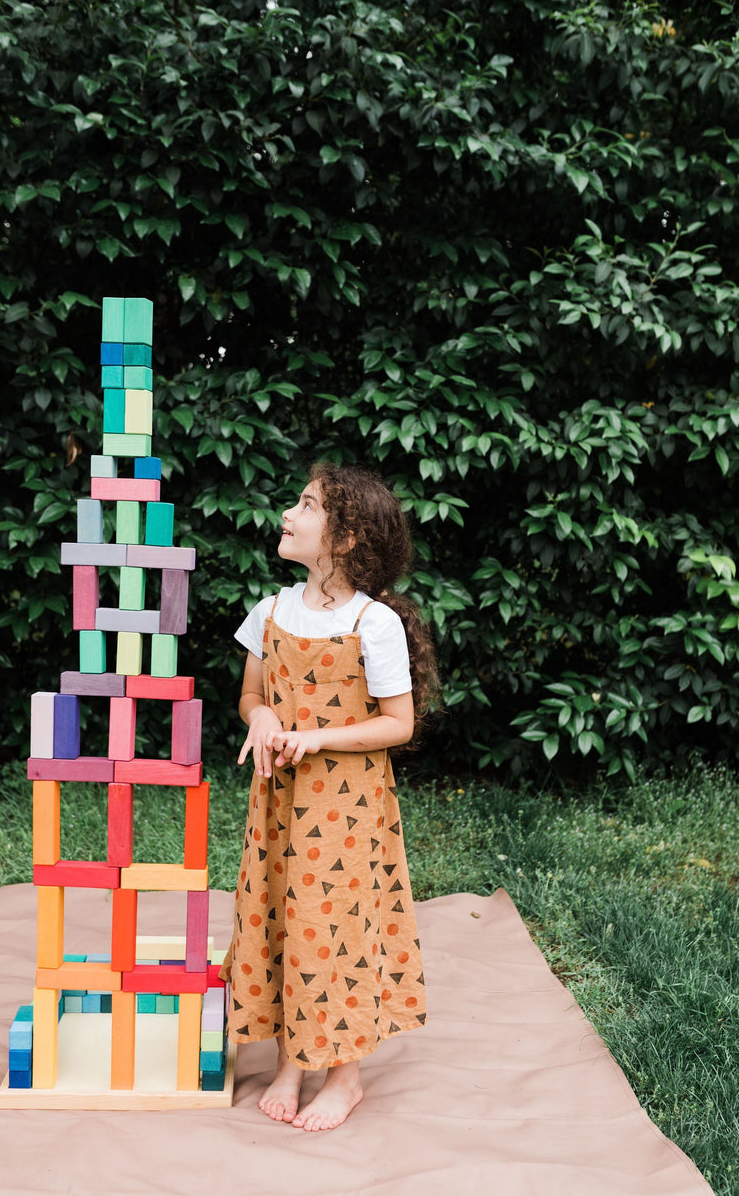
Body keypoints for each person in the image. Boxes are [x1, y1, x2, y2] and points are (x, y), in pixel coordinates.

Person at [218, 461, 440, 1132]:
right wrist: (259, 718)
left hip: (345, 806)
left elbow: (398, 722)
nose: (288, 513)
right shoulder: (271, 611)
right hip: (281, 802)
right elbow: (252, 696)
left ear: (344, 539)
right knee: (282, 914)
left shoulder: (373, 623)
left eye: (307, 506)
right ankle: (294, 1059)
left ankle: (345, 1075)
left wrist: (318, 739)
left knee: (336, 928)